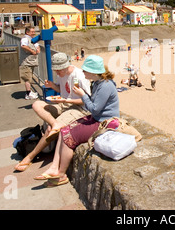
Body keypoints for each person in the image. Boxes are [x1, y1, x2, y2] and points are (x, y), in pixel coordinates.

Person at [34, 55, 119, 186]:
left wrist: (83, 95)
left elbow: (94, 109)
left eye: (85, 70)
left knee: (69, 136)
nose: (83, 71)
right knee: (64, 130)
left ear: (93, 71)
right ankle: (54, 167)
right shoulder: (97, 83)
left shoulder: (105, 86)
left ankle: (61, 175)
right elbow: (94, 106)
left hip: (105, 122)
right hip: (97, 118)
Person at [14, 52, 91, 172]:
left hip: (78, 108)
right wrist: (52, 86)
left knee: (50, 130)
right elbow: (62, 89)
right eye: (55, 70)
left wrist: (67, 100)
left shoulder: (79, 76)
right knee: (37, 104)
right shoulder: (62, 74)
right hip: (64, 104)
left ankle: (30, 157)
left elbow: (86, 100)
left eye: (58, 70)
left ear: (66, 66)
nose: (57, 73)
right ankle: (55, 124)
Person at [19, 27, 40, 100]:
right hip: (26, 62)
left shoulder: (33, 39)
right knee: (27, 78)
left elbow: (37, 45)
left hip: (31, 62)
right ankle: (28, 93)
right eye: (32, 32)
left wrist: (37, 49)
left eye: (34, 31)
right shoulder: (25, 39)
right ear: (27, 32)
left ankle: (30, 92)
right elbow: (23, 46)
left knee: (30, 77)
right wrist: (32, 51)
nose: (33, 33)